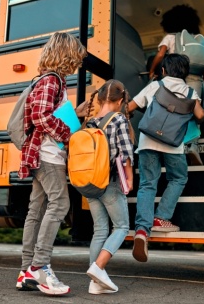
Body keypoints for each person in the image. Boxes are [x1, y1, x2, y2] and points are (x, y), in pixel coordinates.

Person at [17, 32, 87, 295]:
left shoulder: (47, 80)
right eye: (76, 57)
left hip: (39, 153)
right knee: (60, 203)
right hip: (47, 155)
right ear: (66, 54)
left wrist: (74, 114)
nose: (77, 63)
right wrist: (69, 133)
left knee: (36, 210)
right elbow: (41, 117)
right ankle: (40, 266)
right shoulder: (52, 80)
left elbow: (48, 114)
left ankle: (26, 272)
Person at [128, 54, 204, 263]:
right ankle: (161, 218)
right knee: (178, 178)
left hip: (147, 143)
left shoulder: (155, 86)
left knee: (147, 184)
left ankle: (142, 231)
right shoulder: (190, 91)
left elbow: (130, 107)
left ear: (163, 71)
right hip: (173, 145)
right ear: (185, 73)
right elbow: (200, 115)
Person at [83, 79, 135, 295]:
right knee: (122, 227)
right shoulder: (119, 120)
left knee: (100, 230)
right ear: (121, 100)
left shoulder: (90, 122)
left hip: (90, 183)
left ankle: (95, 284)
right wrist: (129, 180)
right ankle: (98, 267)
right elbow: (125, 154)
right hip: (110, 181)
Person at [148, 4, 204, 165]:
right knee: (194, 109)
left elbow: (160, 54)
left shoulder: (170, 37)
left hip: (175, 79)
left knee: (174, 111)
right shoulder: (196, 39)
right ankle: (193, 145)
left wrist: (152, 70)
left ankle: (173, 145)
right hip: (195, 77)